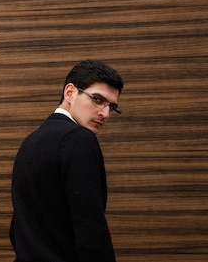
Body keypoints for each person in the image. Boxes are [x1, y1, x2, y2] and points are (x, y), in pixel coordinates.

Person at [9, 59, 123, 262]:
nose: (105, 114)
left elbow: (17, 228)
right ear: (70, 93)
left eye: (111, 106)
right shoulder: (80, 139)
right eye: (97, 99)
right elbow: (91, 232)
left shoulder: (30, 141)